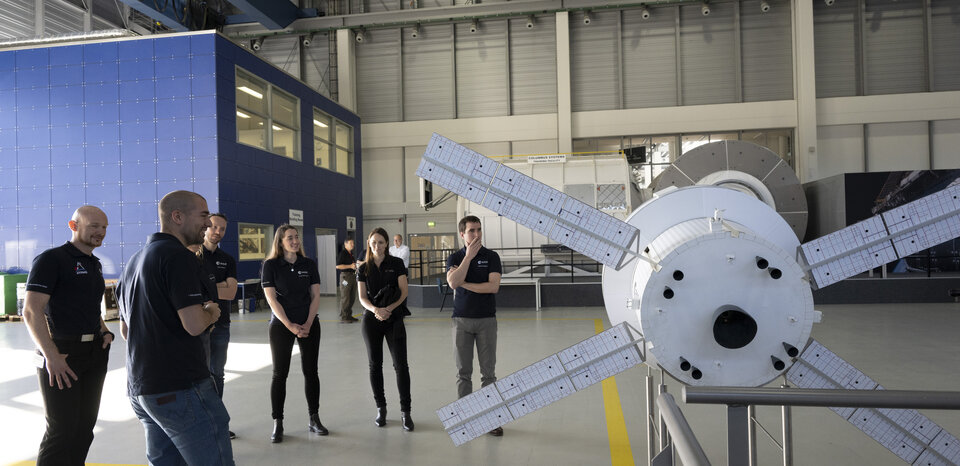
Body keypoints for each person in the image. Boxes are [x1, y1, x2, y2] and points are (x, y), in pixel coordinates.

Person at [116, 190, 234, 465]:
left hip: (143, 388)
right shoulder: (178, 257)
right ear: (177, 217)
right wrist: (212, 312)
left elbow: (125, 331)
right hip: (180, 388)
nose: (208, 224)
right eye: (203, 215)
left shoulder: (134, 261)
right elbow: (194, 325)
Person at [22, 205, 113, 466]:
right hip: (61, 353)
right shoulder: (51, 260)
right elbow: (31, 311)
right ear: (74, 226)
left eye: (104, 227)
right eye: (94, 226)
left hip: (94, 354)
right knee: (61, 431)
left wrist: (103, 331)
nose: (100, 232)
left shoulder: (93, 263)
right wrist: (52, 356)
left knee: (84, 428)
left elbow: (87, 305)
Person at [262, 225, 328, 443]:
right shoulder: (270, 266)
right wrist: (290, 325)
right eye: (290, 238)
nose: (295, 241)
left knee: (311, 372)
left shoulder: (308, 264)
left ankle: (314, 418)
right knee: (280, 374)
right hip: (281, 326)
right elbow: (272, 300)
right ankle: (278, 422)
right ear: (280, 242)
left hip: (309, 324)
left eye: (297, 237)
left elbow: (315, 295)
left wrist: (308, 322)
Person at [445, 215, 503, 437]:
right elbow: (452, 282)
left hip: (486, 321)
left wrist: (465, 284)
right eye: (471, 231)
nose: (476, 234)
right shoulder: (455, 257)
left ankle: (491, 418)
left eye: (479, 229)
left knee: (488, 373)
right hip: (461, 322)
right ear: (462, 234)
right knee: (463, 372)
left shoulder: (491, 256)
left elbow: (493, 287)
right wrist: (468, 257)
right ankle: (466, 416)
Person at [356, 228, 414, 431]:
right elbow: (362, 297)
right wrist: (375, 310)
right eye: (373, 242)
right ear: (369, 243)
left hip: (394, 318)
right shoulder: (363, 268)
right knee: (375, 365)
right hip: (372, 321)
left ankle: (406, 412)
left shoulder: (396, 264)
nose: (377, 246)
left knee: (401, 366)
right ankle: (381, 409)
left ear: (387, 243)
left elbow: (404, 290)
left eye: (380, 242)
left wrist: (388, 309)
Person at [202, 213, 239, 439]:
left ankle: (216, 423)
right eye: (214, 226)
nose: (217, 231)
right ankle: (201, 423)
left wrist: (206, 288)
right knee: (198, 374)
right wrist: (220, 286)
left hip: (221, 325)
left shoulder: (228, 259)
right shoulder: (192, 255)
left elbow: (232, 292)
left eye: (222, 228)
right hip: (197, 325)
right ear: (205, 227)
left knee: (217, 374)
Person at [335, 238, 360, 323]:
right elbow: (338, 266)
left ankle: (349, 315)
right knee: (345, 297)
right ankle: (344, 317)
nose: (353, 245)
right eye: (351, 243)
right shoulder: (343, 253)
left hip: (352, 276)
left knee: (352, 297)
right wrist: (350, 266)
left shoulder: (351, 254)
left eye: (353, 243)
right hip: (345, 277)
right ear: (345, 244)